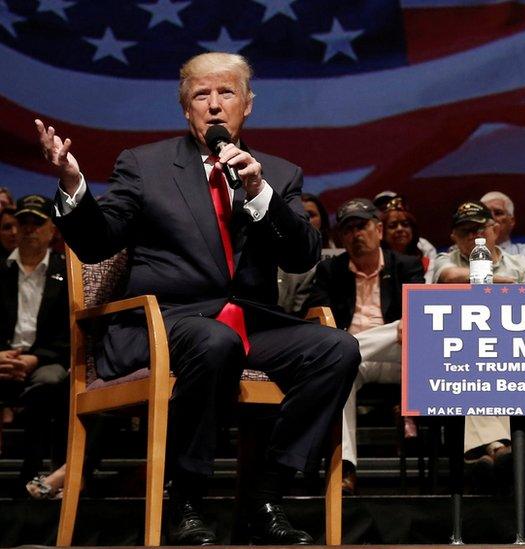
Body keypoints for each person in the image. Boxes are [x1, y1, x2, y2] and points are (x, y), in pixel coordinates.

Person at [35, 52, 360, 545]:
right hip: (165, 323)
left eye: (225, 92)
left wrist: (259, 193)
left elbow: (300, 258)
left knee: (337, 348)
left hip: (248, 323)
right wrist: (73, 185)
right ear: (186, 111)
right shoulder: (145, 165)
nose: (213, 105)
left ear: (247, 104)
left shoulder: (277, 172)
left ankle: (264, 496)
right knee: (214, 342)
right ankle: (186, 498)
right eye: (200, 96)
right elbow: (99, 241)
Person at [304, 198, 425, 494]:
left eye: (362, 226)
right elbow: (315, 316)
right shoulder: (330, 271)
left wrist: (409, 320)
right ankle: (345, 466)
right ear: (340, 237)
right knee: (339, 371)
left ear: (379, 229)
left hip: (402, 355)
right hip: (358, 362)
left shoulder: (406, 265)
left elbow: (422, 312)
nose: (356, 234)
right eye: (348, 229)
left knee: (401, 327)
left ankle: (347, 346)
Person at [431, 201, 525, 473]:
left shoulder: (523, 264)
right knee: (476, 355)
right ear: (453, 238)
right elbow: (446, 277)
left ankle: (482, 450)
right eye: (465, 231)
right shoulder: (445, 260)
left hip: (518, 347)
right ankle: (495, 447)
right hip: (455, 349)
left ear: (494, 230)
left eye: (479, 229)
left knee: (489, 355)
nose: (473, 236)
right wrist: (502, 283)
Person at [0, 195, 69, 493]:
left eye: (37, 222)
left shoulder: (67, 273)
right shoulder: (0, 269)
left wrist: (34, 359)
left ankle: (31, 470)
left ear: (51, 229)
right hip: (3, 358)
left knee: (51, 381)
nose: (28, 229)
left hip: (44, 361)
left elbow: (69, 335)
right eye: (23, 222)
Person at [276, 193, 340, 315]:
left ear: (322, 220)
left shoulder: (338, 259)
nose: (304, 219)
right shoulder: (274, 253)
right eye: (297, 215)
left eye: (311, 215)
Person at [480, 191, 525, 274]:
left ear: (512, 221)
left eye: (498, 213)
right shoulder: (466, 251)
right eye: (486, 214)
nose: (491, 218)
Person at [380, 196, 437, 280]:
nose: (400, 229)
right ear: (382, 232)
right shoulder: (377, 263)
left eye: (405, 224)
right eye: (393, 226)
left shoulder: (425, 262)